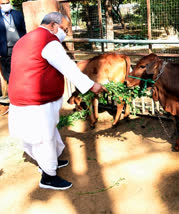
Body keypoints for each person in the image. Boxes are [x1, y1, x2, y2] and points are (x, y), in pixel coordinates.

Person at [8, 12, 107, 190]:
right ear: (53, 26)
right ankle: (48, 176)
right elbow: (68, 68)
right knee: (43, 137)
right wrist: (92, 85)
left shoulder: (26, 39)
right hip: (36, 101)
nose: (65, 33)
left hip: (22, 98)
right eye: (64, 29)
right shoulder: (48, 41)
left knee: (44, 132)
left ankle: (49, 161)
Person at [0, 0, 26, 83]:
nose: (5, 5)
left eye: (7, 3)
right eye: (3, 4)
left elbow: (23, 30)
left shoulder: (17, 14)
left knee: (22, 70)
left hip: (19, 47)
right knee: (9, 74)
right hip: (5, 49)